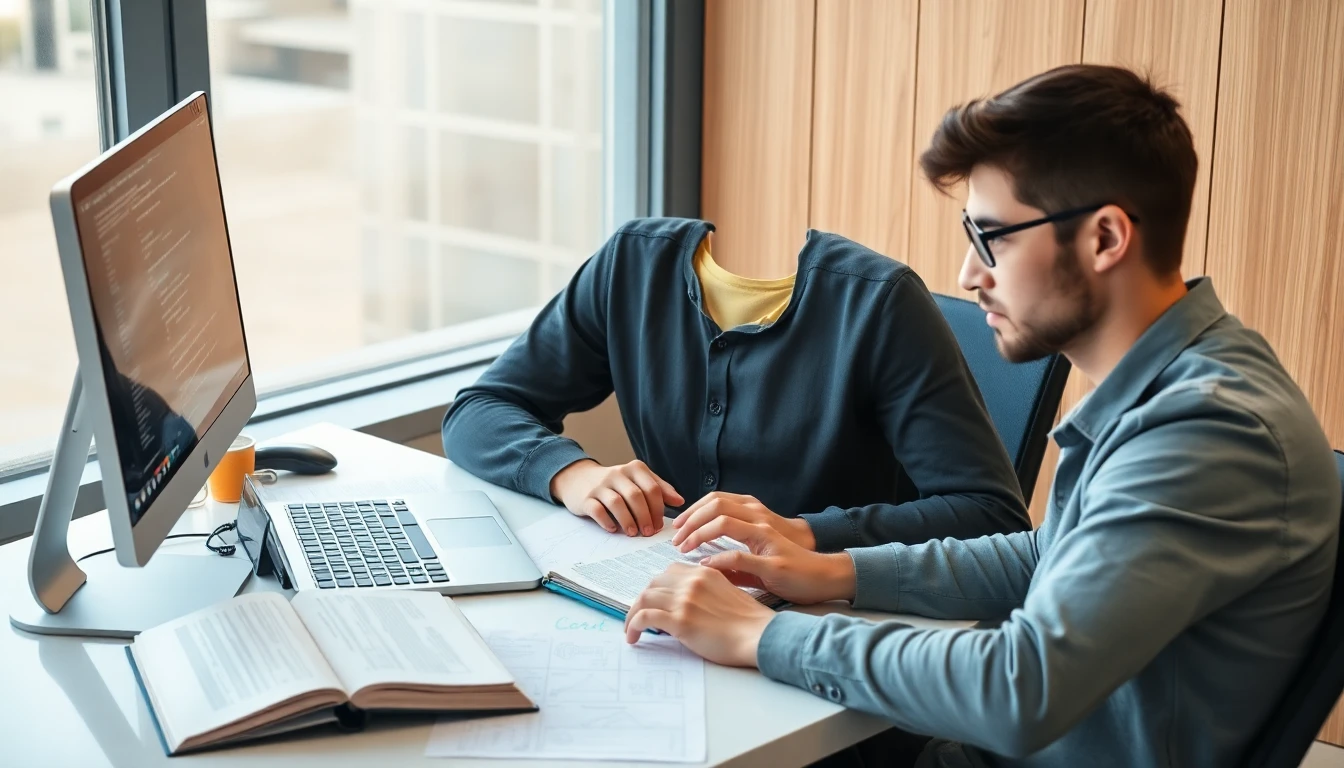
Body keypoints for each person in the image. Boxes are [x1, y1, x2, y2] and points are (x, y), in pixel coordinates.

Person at [628, 64, 1342, 767]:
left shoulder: (1206, 434)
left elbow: (1020, 690)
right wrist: (834, 569)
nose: (970, 275)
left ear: (1104, 239)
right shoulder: (1175, 375)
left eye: (991, 238)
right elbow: (1050, 553)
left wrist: (758, 636)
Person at [442, 214, 1030, 545]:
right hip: (680, 594)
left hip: (836, 621)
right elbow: (480, 410)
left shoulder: (878, 305)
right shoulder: (632, 265)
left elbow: (991, 514)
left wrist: (802, 533)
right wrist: (571, 474)